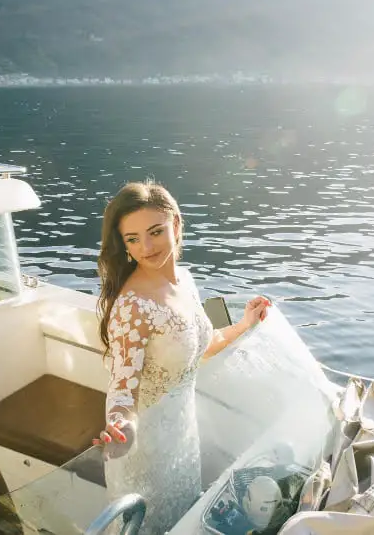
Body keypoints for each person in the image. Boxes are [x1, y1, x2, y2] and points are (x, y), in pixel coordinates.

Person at [93, 180, 270, 533]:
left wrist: (245, 325)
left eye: (155, 232)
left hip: (183, 438)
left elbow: (203, 345)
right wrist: (121, 426)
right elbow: (123, 388)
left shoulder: (184, 281)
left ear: (175, 224)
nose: (146, 247)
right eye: (132, 239)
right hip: (146, 454)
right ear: (124, 245)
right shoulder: (132, 307)